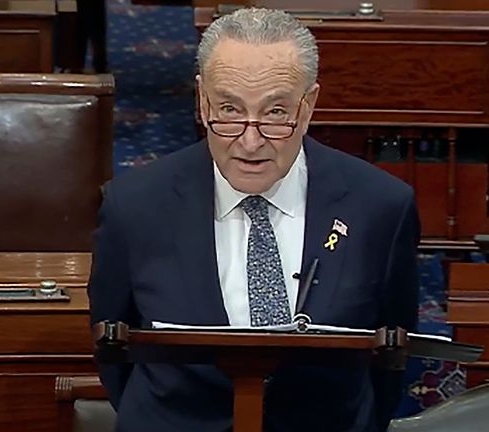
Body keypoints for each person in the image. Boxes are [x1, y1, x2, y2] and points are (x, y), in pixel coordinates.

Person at [88, 7, 420, 432]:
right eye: (228, 109)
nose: (249, 141)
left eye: (276, 113)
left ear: (309, 105)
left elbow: (392, 356)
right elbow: (114, 349)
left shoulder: (380, 207)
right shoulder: (133, 206)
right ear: (201, 100)